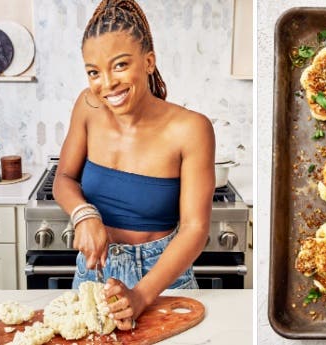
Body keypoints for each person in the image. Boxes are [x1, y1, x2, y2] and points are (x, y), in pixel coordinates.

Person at [52, 0, 215, 331]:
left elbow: (195, 229)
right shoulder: (87, 107)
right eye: (94, 72)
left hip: (163, 282)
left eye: (120, 65)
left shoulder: (191, 129)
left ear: (149, 62)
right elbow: (64, 178)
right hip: (94, 275)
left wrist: (141, 296)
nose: (107, 84)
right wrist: (85, 214)